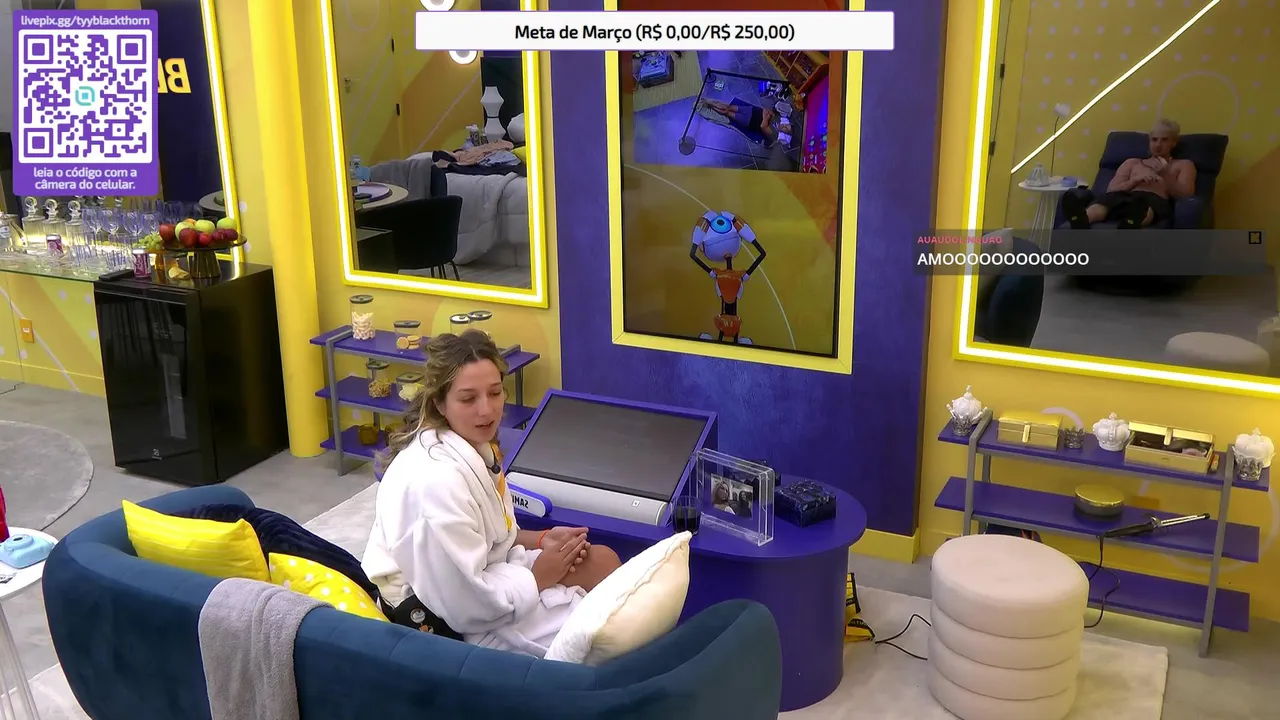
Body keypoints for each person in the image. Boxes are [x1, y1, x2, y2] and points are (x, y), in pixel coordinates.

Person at [362, 330, 621, 657]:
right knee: (604, 633)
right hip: (441, 616)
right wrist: (540, 577)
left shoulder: (473, 449)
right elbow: (462, 604)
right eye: (468, 399)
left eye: (495, 393)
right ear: (439, 402)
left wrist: (542, 539)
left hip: (488, 579)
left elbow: (488, 536)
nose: (486, 410)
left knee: (602, 562)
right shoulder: (434, 484)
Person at [1062, 118, 1197, 229]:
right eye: (1154, 139)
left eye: (1164, 140)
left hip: (1153, 199)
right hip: (1124, 195)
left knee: (1145, 207)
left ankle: (1130, 223)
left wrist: (1165, 173)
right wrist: (1134, 181)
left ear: (1173, 142)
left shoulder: (1183, 165)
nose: (1158, 145)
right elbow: (1111, 190)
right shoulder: (1132, 163)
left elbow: (1186, 194)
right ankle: (1081, 220)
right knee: (1104, 203)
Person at [701, 98, 779, 146]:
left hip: (750, 121)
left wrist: (766, 117)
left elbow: (762, 126)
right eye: (784, 125)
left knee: (727, 112)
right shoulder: (777, 119)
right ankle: (710, 103)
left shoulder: (774, 133)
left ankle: (712, 106)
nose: (783, 126)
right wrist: (766, 119)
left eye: (784, 128)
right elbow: (765, 110)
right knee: (729, 107)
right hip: (751, 110)